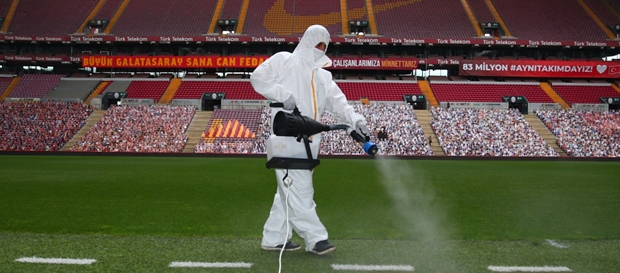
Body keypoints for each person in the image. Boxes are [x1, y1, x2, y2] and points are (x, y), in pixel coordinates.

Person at [250, 25, 370, 255]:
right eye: (318, 43)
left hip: (310, 141)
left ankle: (274, 237)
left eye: (325, 45)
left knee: (288, 189)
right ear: (306, 41)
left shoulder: (324, 76)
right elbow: (258, 78)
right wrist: (283, 95)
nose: (321, 49)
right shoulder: (285, 60)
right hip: (287, 135)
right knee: (300, 189)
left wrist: (356, 120)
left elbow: (339, 103)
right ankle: (315, 238)